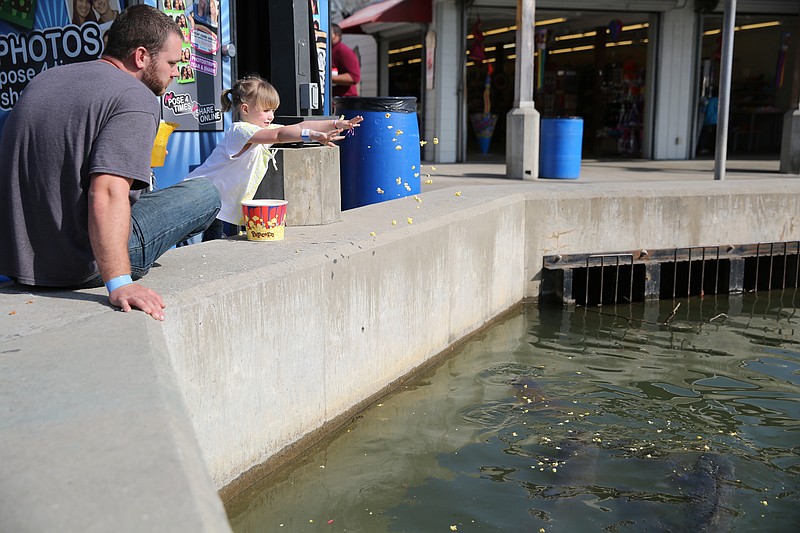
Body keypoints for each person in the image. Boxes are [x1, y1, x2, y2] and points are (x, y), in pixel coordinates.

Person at [0, 4, 221, 321]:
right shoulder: (135, 96)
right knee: (204, 192)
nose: (176, 72)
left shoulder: (44, 80)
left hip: (19, 262)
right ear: (141, 56)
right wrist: (119, 283)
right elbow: (106, 192)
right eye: (172, 63)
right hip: (80, 264)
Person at [184, 75, 362, 237]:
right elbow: (279, 135)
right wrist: (312, 135)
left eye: (273, 110)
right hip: (198, 197)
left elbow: (300, 126)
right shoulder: (240, 130)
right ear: (245, 109)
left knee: (212, 243)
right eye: (266, 110)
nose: (271, 116)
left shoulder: (262, 130)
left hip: (214, 202)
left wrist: (336, 123)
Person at [331, 23, 361, 97]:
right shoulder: (330, 50)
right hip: (333, 100)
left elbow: (354, 77)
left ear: (335, 35)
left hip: (344, 101)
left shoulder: (342, 50)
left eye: (327, 33)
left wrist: (327, 78)